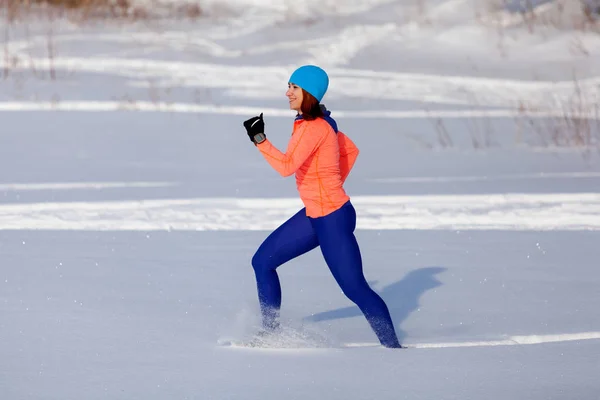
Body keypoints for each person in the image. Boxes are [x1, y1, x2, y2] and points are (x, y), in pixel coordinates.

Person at [242, 65, 402, 348]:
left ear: (309, 93)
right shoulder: (321, 123)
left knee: (355, 289)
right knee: (262, 262)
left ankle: (393, 349)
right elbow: (349, 151)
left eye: (294, 87)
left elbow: (287, 166)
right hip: (316, 213)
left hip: (332, 218)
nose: (287, 92)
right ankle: (269, 334)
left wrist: (260, 140)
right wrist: (329, 183)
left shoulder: (313, 127)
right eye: (288, 86)